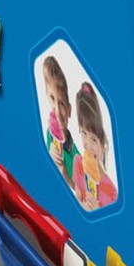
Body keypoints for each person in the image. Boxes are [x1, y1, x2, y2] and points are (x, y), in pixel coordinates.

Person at [72, 82, 118, 209]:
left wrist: (97, 211)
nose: (88, 145)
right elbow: (76, 202)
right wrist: (82, 207)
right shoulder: (78, 164)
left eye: (94, 139)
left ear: (103, 144)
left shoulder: (112, 193)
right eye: (84, 133)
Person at [41, 56, 78, 184]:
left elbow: (80, 191)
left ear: (69, 110)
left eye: (61, 103)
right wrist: (48, 154)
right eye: (52, 98)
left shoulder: (76, 155)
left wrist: (64, 174)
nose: (56, 110)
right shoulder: (48, 134)